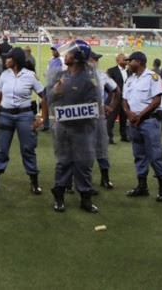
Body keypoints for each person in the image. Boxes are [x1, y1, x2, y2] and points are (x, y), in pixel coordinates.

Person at [44, 41, 102, 214]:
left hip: (82, 129)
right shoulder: (59, 76)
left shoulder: (89, 80)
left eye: (69, 54)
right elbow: (48, 98)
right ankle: (59, 196)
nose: (66, 56)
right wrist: (55, 91)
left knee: (83, 163)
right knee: (63, 162)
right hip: (62, 128)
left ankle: (85, 197)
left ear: (76, 59)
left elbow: (94, 106)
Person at [0, 47, 48, 196]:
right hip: (6, 114)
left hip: (24, 115)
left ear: (16, 60)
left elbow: (44, 97)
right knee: (1, 148)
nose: (5, 60)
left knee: (28, 148)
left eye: (8, 58)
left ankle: (34, 183)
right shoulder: (4, 75)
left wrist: (43, 118)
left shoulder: (30, 76)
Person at [122, 51, 162, 202]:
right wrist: (128, 113)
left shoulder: (152, 77)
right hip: (134, 122)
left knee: (155, 155)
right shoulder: (129, 80)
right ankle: (142, 186)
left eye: (131, 61)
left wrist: (139, 116)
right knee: (139, 154)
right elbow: (124, 100)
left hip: (149, 121)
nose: (128, 63)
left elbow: (156, 100)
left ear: (139, 62)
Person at [89, 51, 119, 192]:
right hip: (82, 117)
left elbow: (116, 90)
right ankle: (82, 180)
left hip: (98, 114)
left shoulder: (102, 75)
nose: (95, 61)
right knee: (82, 148)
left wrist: (111, 106)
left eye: (96, 59)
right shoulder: (76, 75)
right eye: (93, 59)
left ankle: (105, 178)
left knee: (101, 146)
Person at [106, 53, 129, 143]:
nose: (127, 60)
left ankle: (124, 135)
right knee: (111, 118)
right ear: (118, 61)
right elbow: (107, 85)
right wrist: (112, 95)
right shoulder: (111, 71)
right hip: (115, 98)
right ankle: (109, 137)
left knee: (124, 117)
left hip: (125, 98)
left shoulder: (129, 71)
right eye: (124, 59)